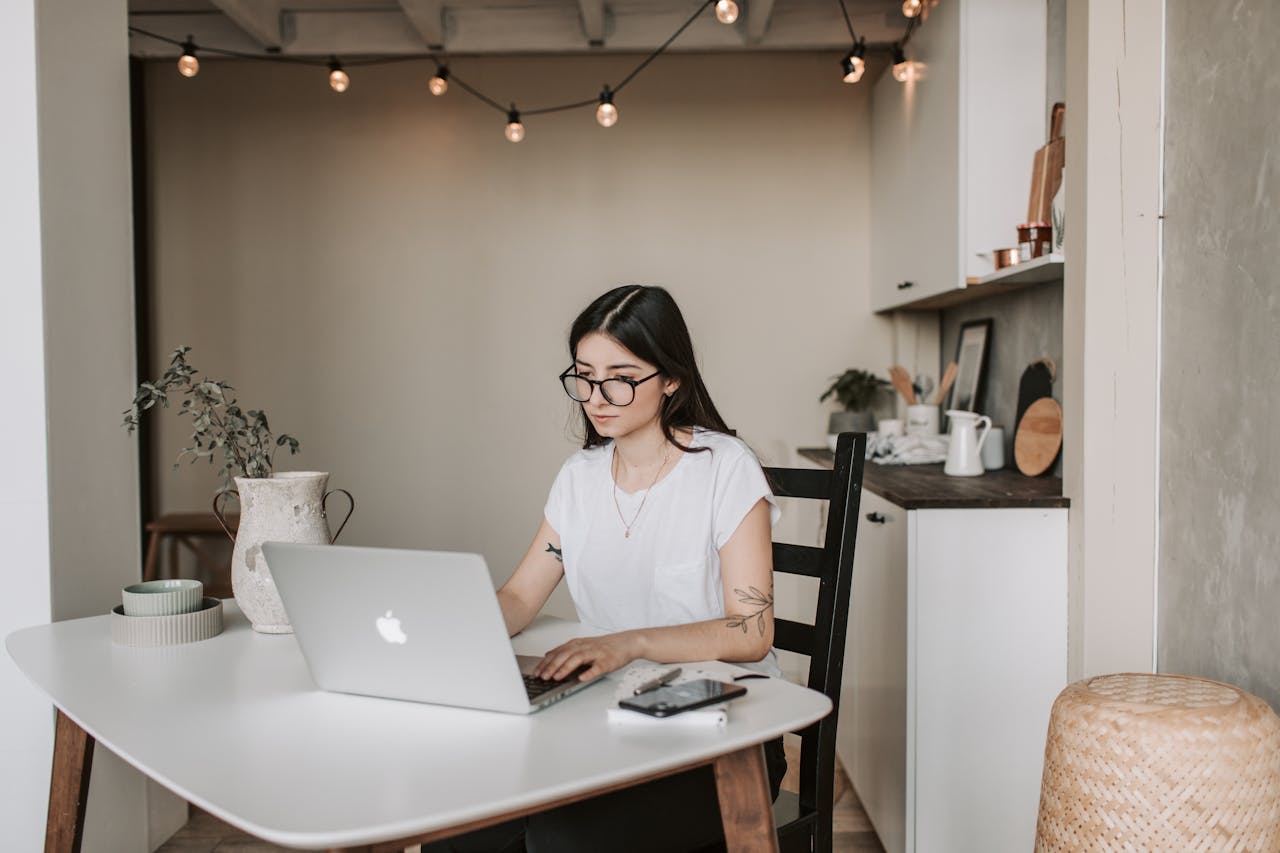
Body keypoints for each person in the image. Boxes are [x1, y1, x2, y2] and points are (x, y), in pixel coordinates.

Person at [425, 284, 785, 853]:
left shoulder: (725, 469)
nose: (598, 395)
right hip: (609, 717)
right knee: (461, 823)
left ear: (671, 379)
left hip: (722, 728)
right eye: (584, 376)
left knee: (560, 835)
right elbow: (520, 598)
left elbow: (752, 628)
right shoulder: (580, 477)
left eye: (621, 375)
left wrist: (629, 643)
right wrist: (446, 629)